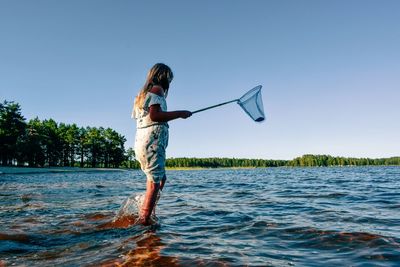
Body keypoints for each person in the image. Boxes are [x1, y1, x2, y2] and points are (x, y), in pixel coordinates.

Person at [132, 63, 192, 225]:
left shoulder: (144, 94)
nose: (169, 83)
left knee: (159, 178)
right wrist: (180, 113)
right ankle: (144, 220)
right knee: (155, 182)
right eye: (169, 78)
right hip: (152, 144)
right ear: (163, 77)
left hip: (143, 144)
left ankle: (147, 208)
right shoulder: (157, 89)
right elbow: (155, 116)